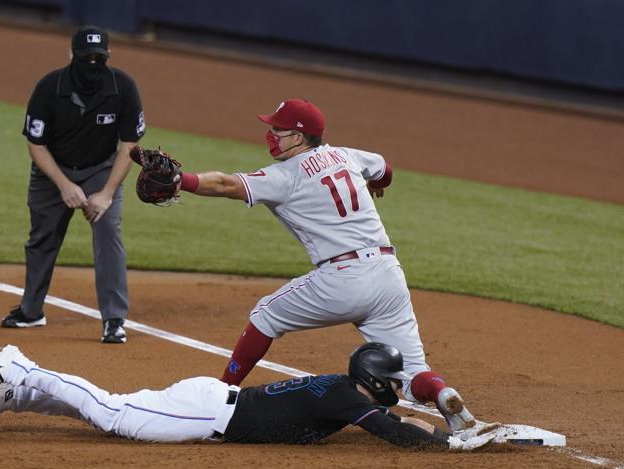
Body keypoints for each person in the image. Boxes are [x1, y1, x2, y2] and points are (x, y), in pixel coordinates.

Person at [174, 98, 482, 433]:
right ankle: (446, 397)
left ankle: (221, 393)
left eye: (279, 129)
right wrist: (377, 184)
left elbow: (224, 184)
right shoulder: (347, 155)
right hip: (388, 274)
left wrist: (181, 180)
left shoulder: (286, 175)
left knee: (266, 315)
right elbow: (383, 169)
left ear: (300, 136)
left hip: (344, 277)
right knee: (411, 371)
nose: (271, 134)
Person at [0, 343, 500, 450]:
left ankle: (18, 396)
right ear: (375, 378)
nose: (395, 387)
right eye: (393, 379)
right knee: (115, 415)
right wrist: (451, 444)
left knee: (117, 408)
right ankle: (20, 364)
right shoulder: (346, 398)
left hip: (214, 402)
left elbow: (388, 420)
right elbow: (391, 431)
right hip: (208, 411)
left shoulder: (343, 389)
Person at [0, 25, 146, 344]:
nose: (92, 63)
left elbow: (129, 145)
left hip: (101, 170)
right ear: (71, 55)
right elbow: (36, 145)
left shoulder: (122, 87)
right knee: (42, 238)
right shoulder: (50, 87)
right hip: (53, 170)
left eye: (99, 57)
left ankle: (114, 319)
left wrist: (106, 193)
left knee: (108, 232)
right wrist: (64, 185)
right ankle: (31, 311)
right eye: (86, 57)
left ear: (108, 56)